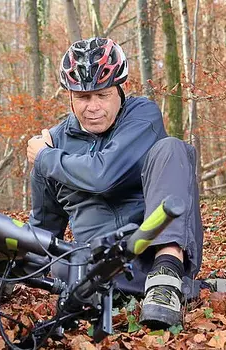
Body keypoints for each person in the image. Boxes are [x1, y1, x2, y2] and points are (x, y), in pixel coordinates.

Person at [26, 37, 204, 329]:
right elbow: (43, 228)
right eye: (83, 98)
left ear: (119, 91)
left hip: (151, 253)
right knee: (51, 257)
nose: (93, 107)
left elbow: (103, 176)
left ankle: (166, 282)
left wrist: (44, 158)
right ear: (69, 96)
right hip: (94, 268)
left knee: (171, 149)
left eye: (102, 95)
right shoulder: (54, 142)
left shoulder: (141, 115)